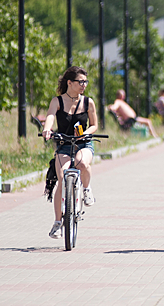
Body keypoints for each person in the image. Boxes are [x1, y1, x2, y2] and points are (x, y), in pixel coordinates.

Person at [42, 66, 98, 239]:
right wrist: (47, 129)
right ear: (70, 83)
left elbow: (94, 125)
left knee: (82, 163)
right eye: (80, 82)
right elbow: (51, 115)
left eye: (85, 82)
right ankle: (58, 222)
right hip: (64, 145)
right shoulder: (57, 101)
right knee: (62, 177)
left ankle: (87, 189)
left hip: (83, 144)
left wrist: (85, 134)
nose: (84, 85)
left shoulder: (88, 102)